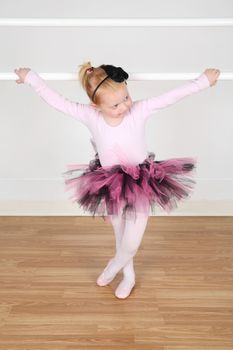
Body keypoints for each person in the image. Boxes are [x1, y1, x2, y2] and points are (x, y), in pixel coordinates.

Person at [14, 63, 220, 299]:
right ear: (96, 105)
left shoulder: (139, 110)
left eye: (126, 97)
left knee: (130, 243)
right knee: (121, 234)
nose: (124, 106)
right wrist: (31, 78)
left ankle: (115, 264)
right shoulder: (89, 115)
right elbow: (57, 101)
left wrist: (202, 82)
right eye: (115, 105)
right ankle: (129, 276)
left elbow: (170, 97)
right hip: (108, 184)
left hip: (141, 182)